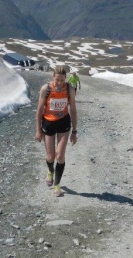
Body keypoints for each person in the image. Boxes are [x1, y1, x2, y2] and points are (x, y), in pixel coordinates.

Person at [35, 65, 78, 197]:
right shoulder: (46, 89)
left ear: (66, 78)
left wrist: (74, 131)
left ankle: (57, 184)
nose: (59, 83)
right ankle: (50, 171)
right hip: (48, 123)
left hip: (63, 123)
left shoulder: (69, 89)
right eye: (57, 80)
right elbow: (39, 110)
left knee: (60, 156)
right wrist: (38, 130)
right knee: (50, 156)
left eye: (62, 80)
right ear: (53, 77)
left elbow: (73, 110)